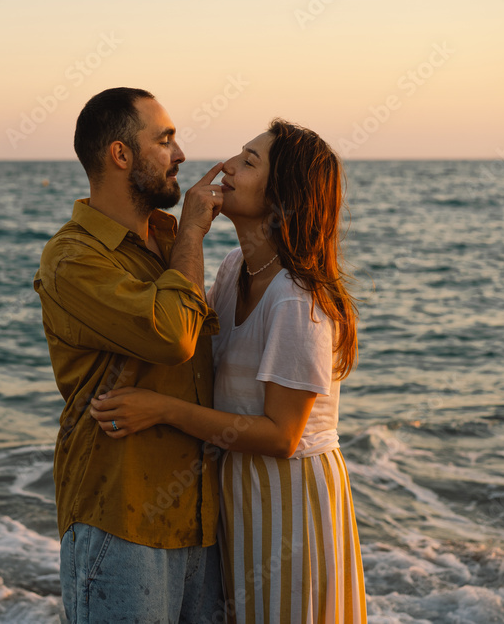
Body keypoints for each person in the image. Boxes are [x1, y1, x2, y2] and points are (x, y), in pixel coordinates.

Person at [90, 119, 368, 623]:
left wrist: (160, 410)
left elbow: (283, 436)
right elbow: (182, 339)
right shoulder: (234, 266)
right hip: (240, 489)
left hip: (290, 496)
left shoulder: (295, 298)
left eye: (249, 161)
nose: (229, 166)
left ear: (283, 195)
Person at [32, 87, 229, 623]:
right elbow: (173, 338)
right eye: (164, 140)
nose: (181, 154)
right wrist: (192, 230)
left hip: (200, 524)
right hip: (119, 524)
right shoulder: (72, 259)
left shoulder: (166, 241)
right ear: (121, 155)